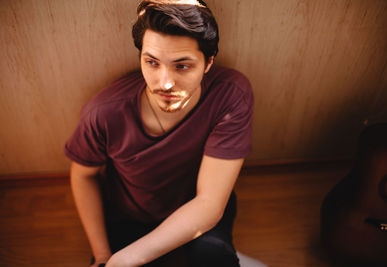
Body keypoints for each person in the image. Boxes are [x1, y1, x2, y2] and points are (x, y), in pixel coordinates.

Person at [64, 0, 253, 266]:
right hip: (130, 218)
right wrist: (104, 256)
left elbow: (209, 203)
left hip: (197, 207)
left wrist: (128, 259)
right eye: (152, 63)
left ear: (208, 63)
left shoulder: (230, 94)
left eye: (182, 66)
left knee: (215, 258)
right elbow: (84, 176)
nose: (165, 82)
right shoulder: (104, 113)